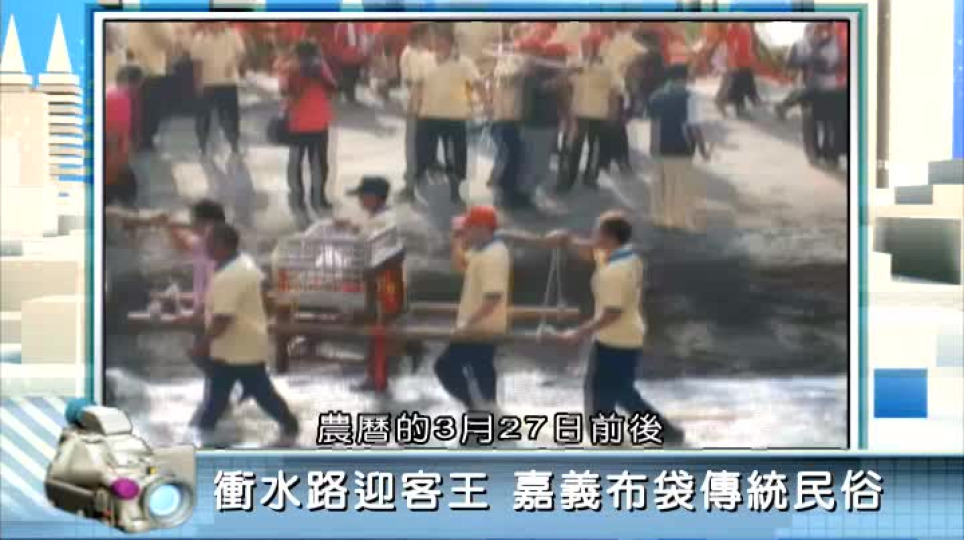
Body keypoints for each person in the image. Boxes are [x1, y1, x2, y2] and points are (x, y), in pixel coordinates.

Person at [549, 212, 685, 445]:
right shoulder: (627, 256)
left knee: (610, 391)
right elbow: (591, 250)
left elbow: (612, 313)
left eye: (597, 232)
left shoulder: (616, 272)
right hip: (623, 335)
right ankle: (654, 433)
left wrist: (578, 333)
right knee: (615, 391)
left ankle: (656, 433)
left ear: (609, 238)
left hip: (616, 339)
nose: (592, 236)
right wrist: (568, 240)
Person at [193, 223, 300, 447]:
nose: (205, 246)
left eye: (209, 242)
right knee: (219, 396)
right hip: (240, 345)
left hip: (239, 350)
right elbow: (263, 296)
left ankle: (290, 425)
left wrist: (202, 345)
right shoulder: (243, 263)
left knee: (260, 393)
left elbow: (223, 319)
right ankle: (204, 432)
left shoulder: (231, 276)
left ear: (221, 244)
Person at [435, 206, 511, 411]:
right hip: (478, 325)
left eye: (468, 228)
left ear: (482, 228)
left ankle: (477, 408)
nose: (465, 231)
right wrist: (457, 242)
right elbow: (460, 265)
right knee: (481, 367)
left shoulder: (493, 257)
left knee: (445, 366)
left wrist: (467, 324)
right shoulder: (482, 250)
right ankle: (487, 409)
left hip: (481, 327)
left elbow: (493, 297)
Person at [411, 28, 484, 206]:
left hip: (454, 118)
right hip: (428, 116)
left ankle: (456, 191)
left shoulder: (464, 62)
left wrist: (486, 103)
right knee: (424, 155)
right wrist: (414, 106)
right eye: (434, 39)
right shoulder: (424, 60)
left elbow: (477, 83)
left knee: (455, 158)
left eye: (440, 39)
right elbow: (418, 85)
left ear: (451, 42)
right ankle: (419, 189)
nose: (436, 42)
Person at [649, 64, 711, 231]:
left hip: (662, 146)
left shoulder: (656, 96)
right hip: (683, 146)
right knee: (680, 184)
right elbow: (695, 127)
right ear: (684, 78)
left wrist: (654, 146)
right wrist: (703, 150)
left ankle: (660, 217)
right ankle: (677, 219)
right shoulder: (691, 97)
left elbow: (655, 124)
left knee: (662, 183)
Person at [281, 40, 338, 215]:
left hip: (297, 123)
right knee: (319, 162)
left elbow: (284, 92)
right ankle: (318, 198)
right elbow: (332, 90)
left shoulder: (290, 68)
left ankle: (298, 199)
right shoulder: (322, 68)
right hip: (319, 123)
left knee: (296, 163)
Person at [561, 33, 623, 192]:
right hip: (577, 112)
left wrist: (613, 112)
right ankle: (567, 179)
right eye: (584, 45)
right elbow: (565, 87)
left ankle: (590, 177)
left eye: (590, 45)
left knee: (595, 148)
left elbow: (614, 91)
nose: (586, 48)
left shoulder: (609, 67)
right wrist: (566, 111)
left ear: (598, 47)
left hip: (600, 113)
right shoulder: (573, 65)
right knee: (572, 147)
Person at [517, 42, 569, 207]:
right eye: (561, 57)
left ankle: (529, 194)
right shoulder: (532, 72)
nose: (563, 60)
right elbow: (543, 88)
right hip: (534, 125)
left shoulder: (550, 72)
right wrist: (562, 76)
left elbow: (561, 97)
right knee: (533, 164)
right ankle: (525, 196)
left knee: (542, 164)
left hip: (548, 124)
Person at [189, 22, 247, 155]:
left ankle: (234, 144)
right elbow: (197, 63)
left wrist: (234, 64)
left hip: (228, 82)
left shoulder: (233, 34)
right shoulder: (200, 38)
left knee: (231, 116)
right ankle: (202, 145)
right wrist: (198, 84)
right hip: (207, 82)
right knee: (203, 117)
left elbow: (241, 54)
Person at [487, 36, 528, 207]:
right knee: (510, 155)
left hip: (511, 117)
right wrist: (524, 67)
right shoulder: (506, 65)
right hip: (505, 118)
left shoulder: (511, 63)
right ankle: (505, 192)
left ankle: (504, 187)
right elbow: (510, 76)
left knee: (512, 155)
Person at [600, 23, 645, 174]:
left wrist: (628, 65)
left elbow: (641, 55)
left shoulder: (624, 40)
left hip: (618, 89)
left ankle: (622, 160)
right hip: (598, 90)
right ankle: (604, 161)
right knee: (603, 127)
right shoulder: (597, 40)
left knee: (617, 125)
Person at [125, 22, 178, 151]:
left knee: (136, 106)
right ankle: (146, 139)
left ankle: (135, 138)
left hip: (131, 66)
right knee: (151, 107)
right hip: (151, 68)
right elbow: (168, 39)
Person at [398, 22, 436, 201]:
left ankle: (416, 177)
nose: (432, 37)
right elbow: (415, 81)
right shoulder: (413, 54)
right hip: (416, 105)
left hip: (423, 106)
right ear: (421, 35)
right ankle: (410, 185)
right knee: (413, 146)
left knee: (419, 144)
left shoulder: (424, 53)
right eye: (429, 34)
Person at [105, 65, 143, 208]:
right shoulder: (119, 99)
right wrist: (114, 159)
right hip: (112, 158)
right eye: (138, 84)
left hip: (112, 156)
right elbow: (113, 132)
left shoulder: (110, 91)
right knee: (123, 193)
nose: (138, 89)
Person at [715, 22, 760, 118]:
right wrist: (731, 61)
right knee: (734, 84)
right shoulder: (732, 29)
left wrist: (752, 59)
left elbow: (748, 47)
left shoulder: (745, 29)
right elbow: (730, 47)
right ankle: (735, 104)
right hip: (736, 62)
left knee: (740, 84)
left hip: (744, 61)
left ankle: (743, 102)